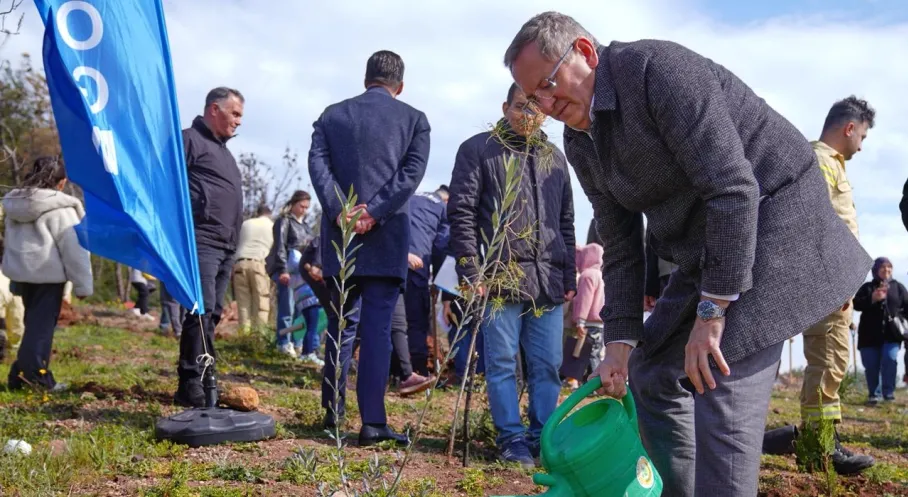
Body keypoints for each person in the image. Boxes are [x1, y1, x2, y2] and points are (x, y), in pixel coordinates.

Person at [503, 12, 871, 494]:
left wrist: (712, 310)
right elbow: (620, 244)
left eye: (548, 85)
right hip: (710, 247)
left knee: (719, 375)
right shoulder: (581, 141)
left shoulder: (657, 72)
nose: (546, 104)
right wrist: (618, 344)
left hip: (777, 224)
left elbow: (734, 189)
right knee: (653, 369)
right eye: (534, 97)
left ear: (586, 53)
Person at [448, 83, 576, 468]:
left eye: (536, 108)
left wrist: (569, 274)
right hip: (499, 277)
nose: (528, 115)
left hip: (547, 280)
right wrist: (471, 269)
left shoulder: (555, 157)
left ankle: (542, 436)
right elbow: (462, 213)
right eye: (521, 106)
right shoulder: (478, 149)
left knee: (548, 365)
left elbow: (565, 221)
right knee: (502, 361)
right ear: (506, 108)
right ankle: (511, 438)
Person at [308, 50, 430, 447]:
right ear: (400, 86)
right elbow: (410, 175)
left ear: (366, 79)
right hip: (386, 238)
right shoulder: (414, 120)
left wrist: (341, 210)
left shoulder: (331, 115)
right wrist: (374, 213)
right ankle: (372, 423)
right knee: (377, 330)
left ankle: (332, 414)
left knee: (339, 328)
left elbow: (318, 165)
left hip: (341, 237)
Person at [768, 96, 876, 474]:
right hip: (827, 281)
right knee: (828, 362)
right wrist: (836, 278)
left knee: (830, 363)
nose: (861, 145)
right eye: (861, 136)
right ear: (849, 128)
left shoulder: (827, 163)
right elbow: (818, 225)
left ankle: (821, 440)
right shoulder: (820, 161)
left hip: (829, 279)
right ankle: (820, 449)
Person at [175, 87, 245, 408]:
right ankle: (192, 381)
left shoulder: (224, 152)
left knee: (214, 311)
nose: (238, 122)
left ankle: (203, 374)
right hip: (200, 239)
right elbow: (169, 184)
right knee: (199, 309)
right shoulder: (189, 140)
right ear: (214, 109)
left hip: (226, 244)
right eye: (235, 114)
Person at [3, 156, 93, 391]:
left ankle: (18, 376)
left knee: (32, 325)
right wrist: (83, 285)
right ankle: (37, 379)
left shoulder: (16, 204)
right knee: (40, 330)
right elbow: (75, 250)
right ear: (61, 182)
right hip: (47, 276)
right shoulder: (61, 209)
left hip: (20, 274)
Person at [405, 186, 451, 376]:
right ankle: (419, 371)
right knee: (417, 321)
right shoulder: (441, 207)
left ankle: (393, 370)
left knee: (392, 321)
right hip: (416, 266)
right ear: (448, 200)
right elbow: (442, 248)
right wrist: (439, 285)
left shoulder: (410, 195)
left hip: (390, 261)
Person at [267, 191, 315, 359]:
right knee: (287, 308)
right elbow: (280, 246)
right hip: (288, 269)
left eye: (306, 207)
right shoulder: (284, 222)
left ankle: (297, 342)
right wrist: (282, 270)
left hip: (302, 275)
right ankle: (283, 342)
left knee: (300, 310)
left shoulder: (306, 227)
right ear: (293, 204)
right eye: (301, 206)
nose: (304, 210)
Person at [854, 258, 907, 404]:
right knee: (871, 365)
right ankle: (874, 395)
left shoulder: (898, 288)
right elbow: (855, 304)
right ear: (876, 270)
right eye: (883, 268)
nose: (886, 271)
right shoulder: (867, 288)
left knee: (890, 360)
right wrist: (872, 298)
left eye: (889, 268)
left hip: (892, 335)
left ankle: (888, 394)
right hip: (868, 337)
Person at [233, 204, 274, 334]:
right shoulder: (272, 226)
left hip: (240, 264)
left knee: (243, 304)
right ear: (269, 214)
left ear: (258, 213)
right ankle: (259, 337)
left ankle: (244, 336)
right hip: (259, 264)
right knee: (261, 303)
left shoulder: (246, 224)